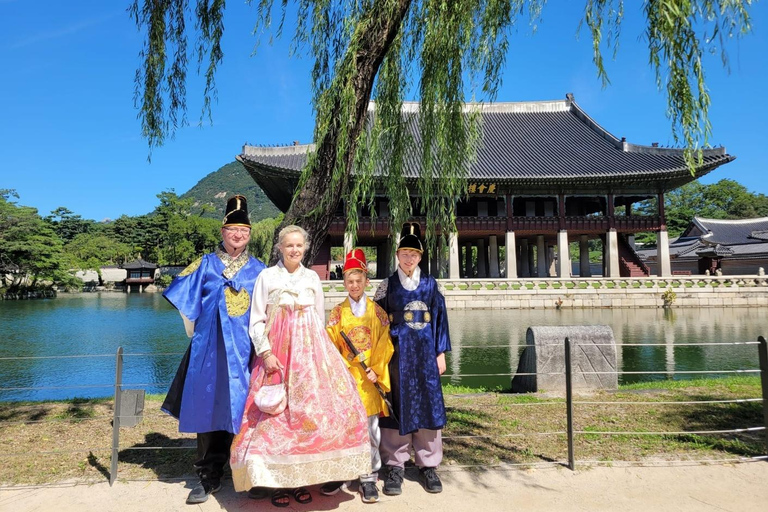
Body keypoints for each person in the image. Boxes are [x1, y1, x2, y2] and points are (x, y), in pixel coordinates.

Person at [230, 225, 371, 508]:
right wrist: (266, 353)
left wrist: (322, 358)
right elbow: (256, 319)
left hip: (309, 355)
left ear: (305, 248)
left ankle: (303, 479)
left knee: (308, 413)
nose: (294, 250)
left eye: (299, 245)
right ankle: (275, 482)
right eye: (288, 245)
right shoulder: (267, 276)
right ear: (280, 248)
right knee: (274, 415)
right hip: (278, 352)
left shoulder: (311, 278)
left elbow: (318, 319)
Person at [161, 195, 266, 505]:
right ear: (223, 231)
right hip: (209, 350)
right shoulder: (205, 264)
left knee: (245, 411)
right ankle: (208, 476)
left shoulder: (259, 270)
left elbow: (267, 312)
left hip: (245, 352)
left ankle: (247, 475)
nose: (238, 235)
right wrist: (194, 331)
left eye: (243, 230)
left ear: (249, 234)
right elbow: (184, 301)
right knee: (209, 408)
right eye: (232, 229)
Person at [373, 222, 451, 496]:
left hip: (426, 358)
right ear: (397, 255)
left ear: (420, 256)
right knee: (395, 407)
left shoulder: (431, 285)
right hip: (396, 359)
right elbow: (377, 323)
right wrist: (378, 358)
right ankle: (394, 465)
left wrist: (440, 352)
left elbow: (440, 319)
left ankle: (428, 464)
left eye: (414, 254)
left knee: (428, 406)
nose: (409, 258)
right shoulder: (387, 286)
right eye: (404, 253)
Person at [323, 249, 395, 503]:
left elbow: (385, 343)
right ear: (344, 283)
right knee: (344, 427)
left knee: (370, 430)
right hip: (346, 378)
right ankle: (343, 472)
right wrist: (343, 368)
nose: (354, 285)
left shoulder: (377, 312)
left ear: (367, 281)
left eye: (359, 280)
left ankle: (369, 477)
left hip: (369, 379)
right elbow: (329, 346)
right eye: (349, 281)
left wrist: (376, 369)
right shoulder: (336, 313)